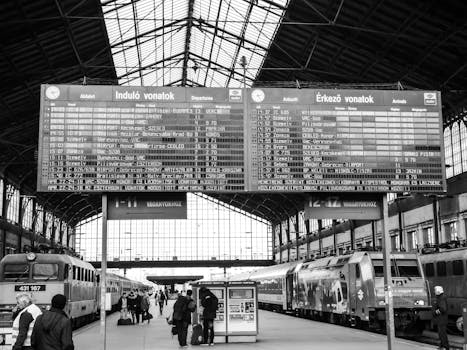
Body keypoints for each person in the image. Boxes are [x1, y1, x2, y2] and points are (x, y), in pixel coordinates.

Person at [432, 285, 449, 350]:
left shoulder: (441, 298)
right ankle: (442, 346)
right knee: (441, 333)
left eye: (435, 291)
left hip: (442, 319)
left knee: (442, 333)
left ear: (438, 291)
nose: (434, 292)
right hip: (440, 319)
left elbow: (443, 309)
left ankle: (445, 347)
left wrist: (435, 312)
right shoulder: (440, 298)